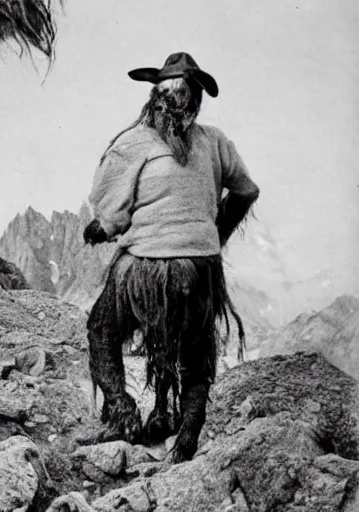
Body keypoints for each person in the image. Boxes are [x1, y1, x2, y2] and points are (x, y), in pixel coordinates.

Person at [82, 52, 259, 463]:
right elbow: (246, 190)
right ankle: (186, 441)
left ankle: (123, 415)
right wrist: (215, 234)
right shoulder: (215, 141)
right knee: (197, 353)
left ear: (154, 100)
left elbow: (110, 212)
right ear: (196, 100)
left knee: (101, 330)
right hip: (200, 266)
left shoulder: (135, 141)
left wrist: (100, 229)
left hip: (143, 268)